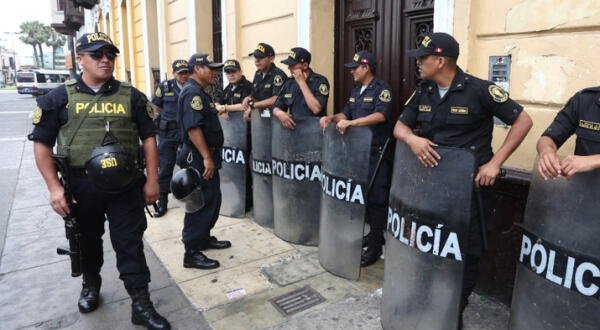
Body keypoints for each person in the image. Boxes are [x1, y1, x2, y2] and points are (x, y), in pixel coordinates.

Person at [28, 32, 170, 330]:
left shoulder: (131, 95)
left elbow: (149, 139)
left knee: (129, 244)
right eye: (97, 55)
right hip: (82, 186)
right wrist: (55, 189)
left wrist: (153, 181)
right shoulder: (58, 98)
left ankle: (140, 304)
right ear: (80, 60)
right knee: (87, 242)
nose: (105, 60)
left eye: (110, 55)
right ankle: (91, 285)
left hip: (126, 184)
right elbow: (42, 144)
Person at [393, 33, 533, 325]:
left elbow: (523, 120)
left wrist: (495, 163)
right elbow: (399, 127)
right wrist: (412, 141)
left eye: (423, 57)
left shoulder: (480, 90)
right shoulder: (424, 92)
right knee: (427, 247)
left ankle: (452, 313)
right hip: (431, 189)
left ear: (440, 60)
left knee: (465, 253)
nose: (418, 62)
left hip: (471, 193)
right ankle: (422, 300)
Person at [319, 50, 393, 267]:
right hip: (358, 153)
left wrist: (352, 124)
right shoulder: (355, 90)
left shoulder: (382, 90)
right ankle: (373, 234)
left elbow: (381, 115)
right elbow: (346, 113)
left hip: (377, 152)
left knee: (377, 199)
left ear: (367, 67)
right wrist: (333, 118)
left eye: (355, 67)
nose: (351, 71)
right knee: (363, 196)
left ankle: (376, 245)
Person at [176, 53, 231, 270]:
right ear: (198, 69)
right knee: (197, 203)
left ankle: (203, 238)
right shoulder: (192, 93)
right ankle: (191, 252)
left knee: (212, 199)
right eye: (211, 68)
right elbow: (193, 128)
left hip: (206, 155)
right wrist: (207, 157)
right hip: (199, 156)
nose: (215, 72)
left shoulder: (200, 92)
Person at [150, 59, 190, 217]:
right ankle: (162, 202)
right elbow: (157, 106)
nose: (183, 76)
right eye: (180, 73)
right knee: (165, 168)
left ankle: (189, 197)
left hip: (187, 133)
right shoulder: (165, 87)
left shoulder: (192, 86)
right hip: (168, 135)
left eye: (186, 72)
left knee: (188, 165)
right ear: (174, 73)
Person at [537, 87, 600, 179]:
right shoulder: (583, 100)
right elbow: (548, 138)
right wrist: (546, 151)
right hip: (583, 189)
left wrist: (593, 160)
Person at [272, 47, 329, 128]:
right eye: (289, 65)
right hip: (295, 132)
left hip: (314, 133)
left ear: (305, 65)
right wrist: (279, 113)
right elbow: (276, 106)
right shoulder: (289, 83)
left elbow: (316, 109)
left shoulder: (320, 81)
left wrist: (302, 83)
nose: (289, 68)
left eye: (292, 65)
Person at [242, 43, 287, 120]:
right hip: (260, 118)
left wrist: (253, 105)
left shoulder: (278, 75)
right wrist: (249, 98)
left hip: (275, 119)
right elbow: (254, 95)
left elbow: (275, 99)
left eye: (261, 57)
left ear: (271, 58)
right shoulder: (258, 73)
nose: (257, 60)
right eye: (255, 57)